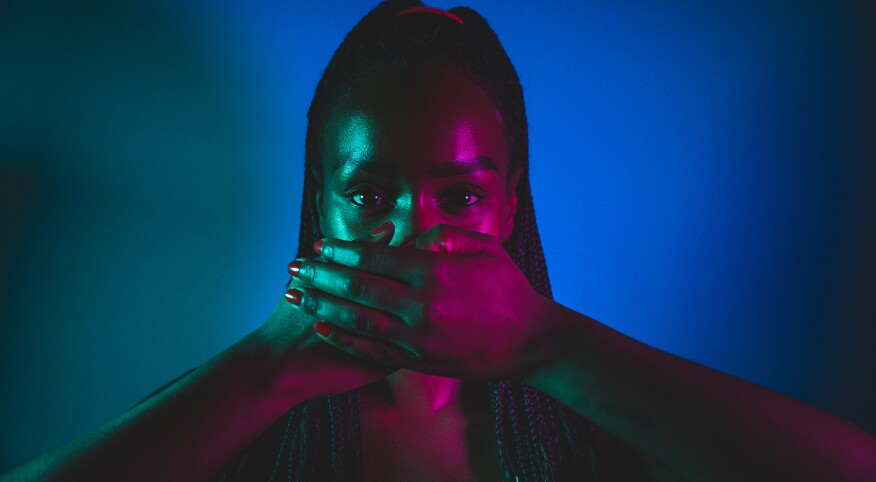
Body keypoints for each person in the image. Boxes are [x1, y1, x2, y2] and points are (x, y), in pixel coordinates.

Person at [3, 1, 875, 481]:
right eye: (374, 193)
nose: (417, 233)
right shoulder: (243, 428)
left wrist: (543, 345)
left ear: (508, 205)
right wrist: (269, 368)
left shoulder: (590, 431)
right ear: (324, 206)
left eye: (458, 195)